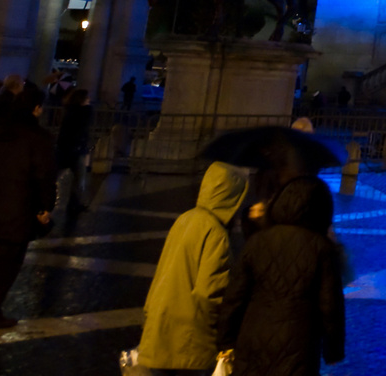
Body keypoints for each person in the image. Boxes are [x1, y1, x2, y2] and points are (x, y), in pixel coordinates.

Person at [219, 176, 346, 376]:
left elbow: (235, 296)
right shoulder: (321, 249)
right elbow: (330, 305)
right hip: (299, 344)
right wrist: (333, 349)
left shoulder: (258, 241)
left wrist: (226, 339)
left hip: (253, 336)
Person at [137, 161, 249, 374]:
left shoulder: (185, 219)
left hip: (160, 326)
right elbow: (210, 293)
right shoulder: (215, 233)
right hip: (189, 337)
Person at [0, 84, 54, 328]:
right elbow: (44, 175)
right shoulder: (37, 137)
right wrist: (45, 206)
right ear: (36, 109)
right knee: (5, 267)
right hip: (17, 209)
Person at [54, 87, 94, 218]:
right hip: (75, 149)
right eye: (87, 98)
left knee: (57, 175)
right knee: (78, 179)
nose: (89, 100)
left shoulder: (69, 110)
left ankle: (73, 204)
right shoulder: (83, 113)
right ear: (82, 100)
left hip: (65, 148)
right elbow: (81, 130)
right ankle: (73, 204)